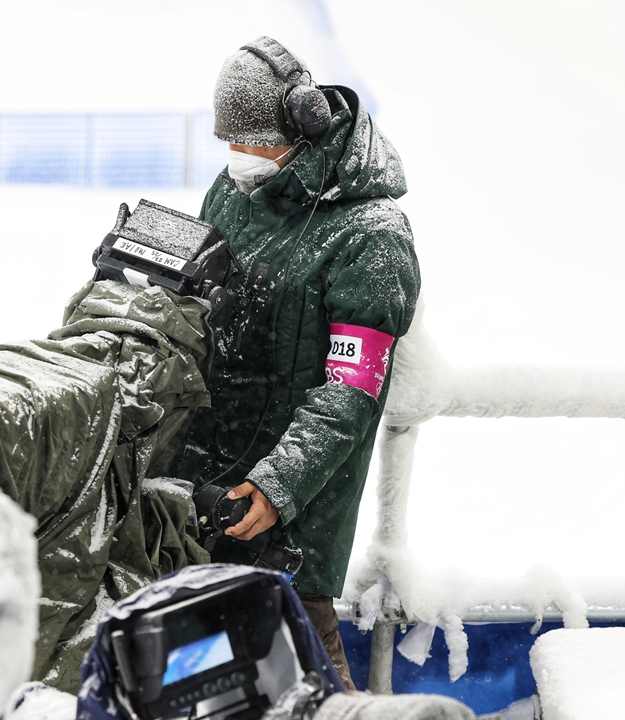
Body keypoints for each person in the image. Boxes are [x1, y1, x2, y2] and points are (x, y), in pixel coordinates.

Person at [169, 37, 420, 689]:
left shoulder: (373, 238)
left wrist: (278, 488)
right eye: (233, 144)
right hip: (202, 497)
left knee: (307, 686)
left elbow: (350, 391)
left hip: (289, 526)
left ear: (304, 125)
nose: (240, 161)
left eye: (254, 143)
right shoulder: (232, 193)